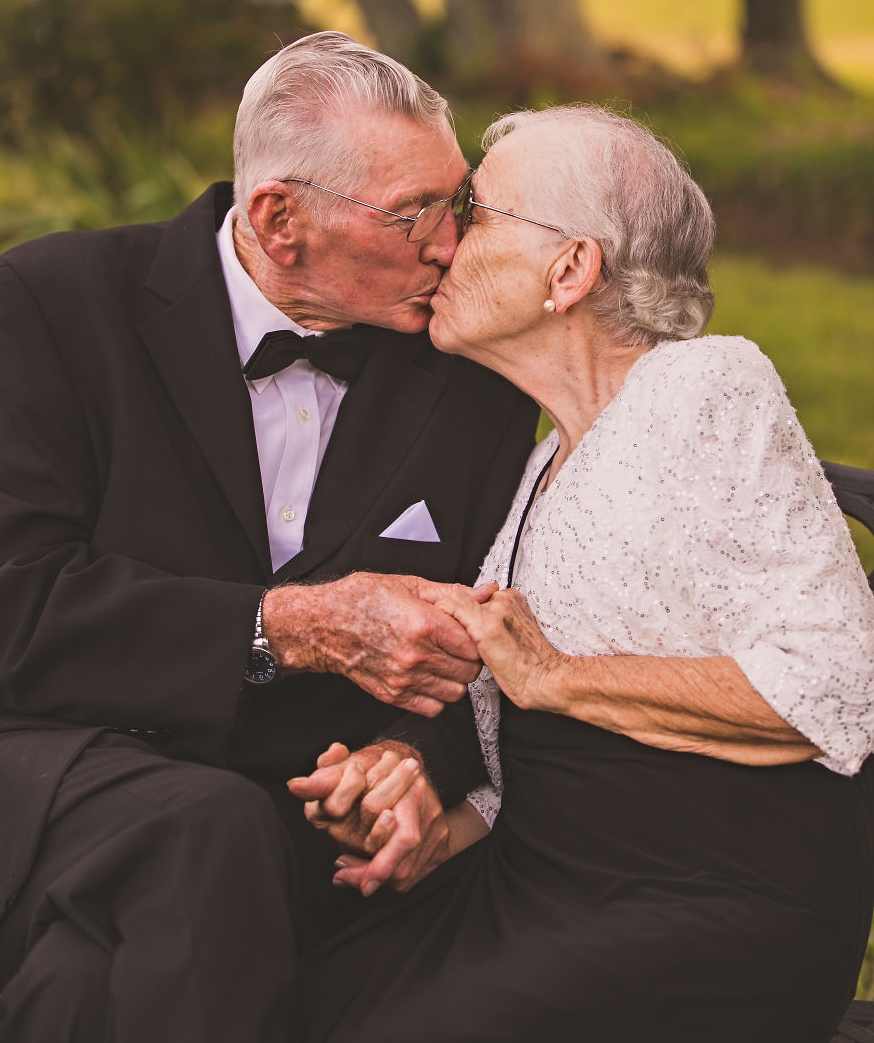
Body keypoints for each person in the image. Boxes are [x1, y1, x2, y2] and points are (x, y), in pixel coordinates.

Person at [0, 31, 543, 1042]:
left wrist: (406, 762)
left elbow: (492, 632)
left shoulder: (476, 383)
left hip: (295, 821)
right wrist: (283, 624)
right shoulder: (44, 306)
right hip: (42, 768)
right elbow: (12, 607)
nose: (448, 244)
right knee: (203, 828)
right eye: (412, 212)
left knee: (83, 986)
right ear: (278, 219)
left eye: (455, 203)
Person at [293, 105, 874, 1043]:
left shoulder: (705, 387)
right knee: (309, 993)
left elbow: (839, 686)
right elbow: (526, 762)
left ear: (571, 269)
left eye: (476, 211)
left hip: (709, 894)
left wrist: (557, 677)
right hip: (552, 879)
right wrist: (420, 815)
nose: (442, 242)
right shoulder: (541, 465)